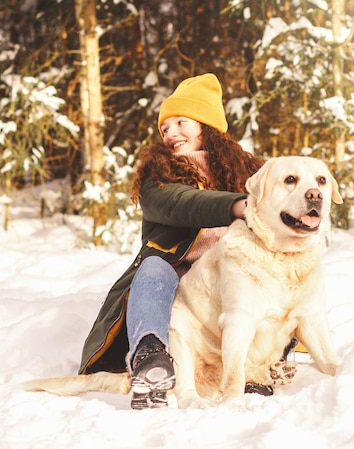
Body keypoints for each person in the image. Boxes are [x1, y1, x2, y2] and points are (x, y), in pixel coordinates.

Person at [78, 73, 265, 409]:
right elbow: (183, 203)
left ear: (207, 126)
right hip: (177, 288)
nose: (171, 133)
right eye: (165, 128)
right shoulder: (158, 177)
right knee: (153, 267)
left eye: (181, 122)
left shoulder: (251, 173)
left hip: (227, 285)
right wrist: (236, 205)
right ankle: (150, 358)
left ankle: (251, 366)